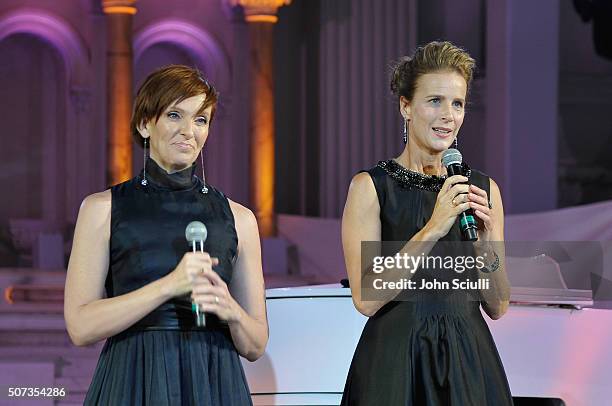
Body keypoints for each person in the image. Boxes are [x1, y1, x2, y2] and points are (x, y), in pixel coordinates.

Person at [64, 65, 268, 405]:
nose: (189, 131)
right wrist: (169, 286)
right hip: (134, 379)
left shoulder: (240, 218)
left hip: (213, 380)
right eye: (175, 115)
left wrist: (230, 309)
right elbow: (81, 327)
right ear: (145, 124)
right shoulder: (102, 209)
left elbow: (256, 345)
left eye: (201, 120)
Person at [340, 42, 513, 405]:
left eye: (458, 103)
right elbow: (366, 299)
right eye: (435, 101)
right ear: (406, 106)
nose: (448, 115)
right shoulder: (371, 187)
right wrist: (433, 227)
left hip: (467, 361)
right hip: (396, 362)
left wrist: (488, 239)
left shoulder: (483, 189)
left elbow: (497, 305)